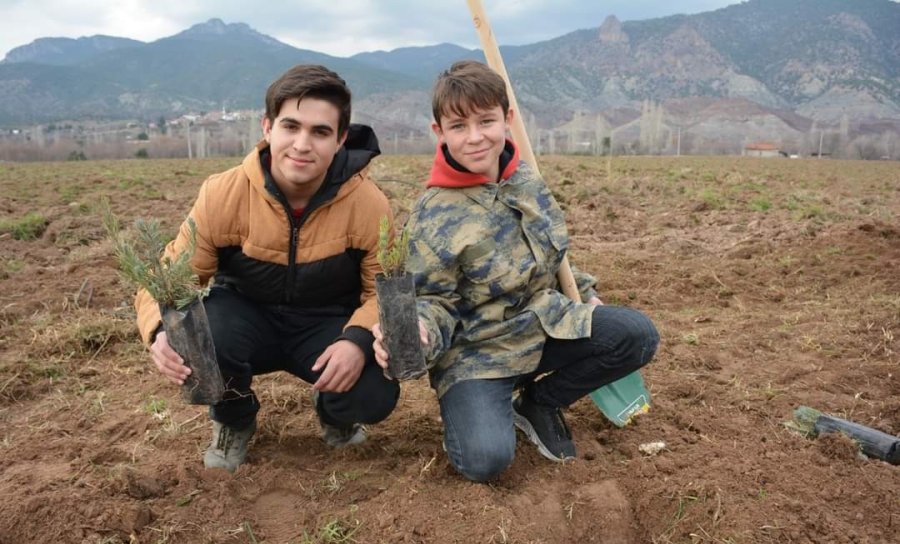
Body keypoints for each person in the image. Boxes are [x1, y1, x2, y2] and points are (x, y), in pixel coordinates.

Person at [373, 60, 659, 482]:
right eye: (458, 126)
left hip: (544, 324)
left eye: (486, 121)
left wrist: (584, 292)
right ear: (440, 133)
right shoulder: (433, 217)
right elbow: (433, 302)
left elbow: (552, 253)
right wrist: (419, 332)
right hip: (479, 355)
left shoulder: (526, 178)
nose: (475, 137)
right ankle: (485, 407)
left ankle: (539, 402)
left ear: (507, 119)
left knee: (636, 336)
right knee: (485, 460)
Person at [136, 64, 400, 472]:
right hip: (245, 320)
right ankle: (235, 420)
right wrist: (158, 329)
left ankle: (336, 413)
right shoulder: (222, 194)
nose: (302, 144)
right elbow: (169, 277)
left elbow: (380, 293)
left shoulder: (368, 205)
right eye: (290, 126)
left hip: (323, 326)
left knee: (375, 389)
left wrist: (357, 342)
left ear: (341, 139)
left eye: (320, 132)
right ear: (267, 127)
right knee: (196, 333)